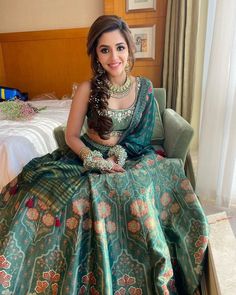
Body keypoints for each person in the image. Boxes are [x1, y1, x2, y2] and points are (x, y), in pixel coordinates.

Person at [0, 15, 208, 295]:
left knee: (135, 196)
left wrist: (118, 157)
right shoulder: (87, 89)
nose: (114, 57)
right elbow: (71, 135)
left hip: (132, 156)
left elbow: (143, 136)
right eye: (104, 49)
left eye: (120, 47)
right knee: (53, 196)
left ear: (130, 50)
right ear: (95, 54)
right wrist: (95, 160)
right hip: (87, 158)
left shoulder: (144, 88)